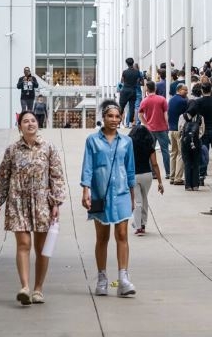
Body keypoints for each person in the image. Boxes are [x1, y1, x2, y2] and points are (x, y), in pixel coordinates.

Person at [0, 111, 66, 305]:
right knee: (23, 244)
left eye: (33, 120)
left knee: (42, 248)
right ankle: (24, 287)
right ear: (20, 126)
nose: (30, 124)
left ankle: (38, 289)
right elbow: (3, 176)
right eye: (25, 121)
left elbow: (56, 176)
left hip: (42, 202)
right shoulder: (12, 150)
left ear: (37, 124)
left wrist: (56, 202)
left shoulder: (48, 148)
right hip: (18, 201)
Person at [80, 100, 137, 297]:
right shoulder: (92, 141)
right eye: (110, 116)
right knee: (102, 237)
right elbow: (87, 166)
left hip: (121, 193)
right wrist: (85, 189)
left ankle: (123, 278)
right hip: (100, 194)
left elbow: (130, 170)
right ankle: (102, 277)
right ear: (103, 118)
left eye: (117, 116)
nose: (114, 119)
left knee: (122, 235)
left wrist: (132, 196)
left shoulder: (126, 142)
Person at [128, 125, 164, 235]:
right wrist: (160, 182)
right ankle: (143, 224)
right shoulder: (149, 145)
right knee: (144, 199)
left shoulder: (129, 146)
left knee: (137, 201)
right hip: (147, 175)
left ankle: (138, 226)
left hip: (134, 175)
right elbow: (154, 164)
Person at [138, 80, 170, 179]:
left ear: (147, 90)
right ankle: (168, 172)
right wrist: (167, 125)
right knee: (165, 151)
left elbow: (140, 115)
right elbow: (166, 115)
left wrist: (146, 124)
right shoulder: (162, 99)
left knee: (150, 151)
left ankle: (153, 173)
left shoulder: (144, 101)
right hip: (162, 128)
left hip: (150, 129)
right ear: (155, 88)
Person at [178, 103, 205, 191]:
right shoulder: (200, 117)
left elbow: (180, 130)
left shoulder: (182, 116)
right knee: (196, 163)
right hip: (196, 143)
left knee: (187, 163)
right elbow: (202, 131)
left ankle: (188, 185)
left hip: (185, 143)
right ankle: (195, 185)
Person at [168, 84, 189, 186]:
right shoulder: (183, 101)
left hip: (171, 130)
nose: (187, 92)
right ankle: (178, 178)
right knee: (181, 154)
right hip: (179, 130)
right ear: (179, 90)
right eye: (185, 90)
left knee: (173, 153)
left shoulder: (171, 100)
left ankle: (172, 176)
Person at [119, 58, 139, 127]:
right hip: (133, 91)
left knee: (121, 106)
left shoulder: (124, 72)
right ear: (132, 63)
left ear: (127, 64)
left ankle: (118, 123)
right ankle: (130, 123)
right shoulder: (137, 72)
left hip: (125, 91)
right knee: (132, 107)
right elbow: (139, 81)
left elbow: (122, 81)